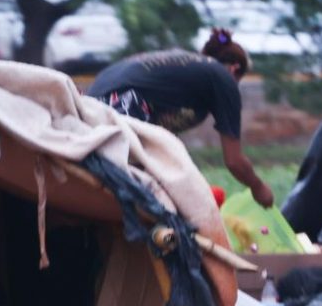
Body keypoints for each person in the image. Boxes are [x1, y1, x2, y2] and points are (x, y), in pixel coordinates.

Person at [85, 28, 274, 208]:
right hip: (120, 110)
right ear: (234, 69)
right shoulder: (223, 77)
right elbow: (234, 161)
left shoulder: (185, 68)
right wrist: (258, 187)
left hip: (88, 109)